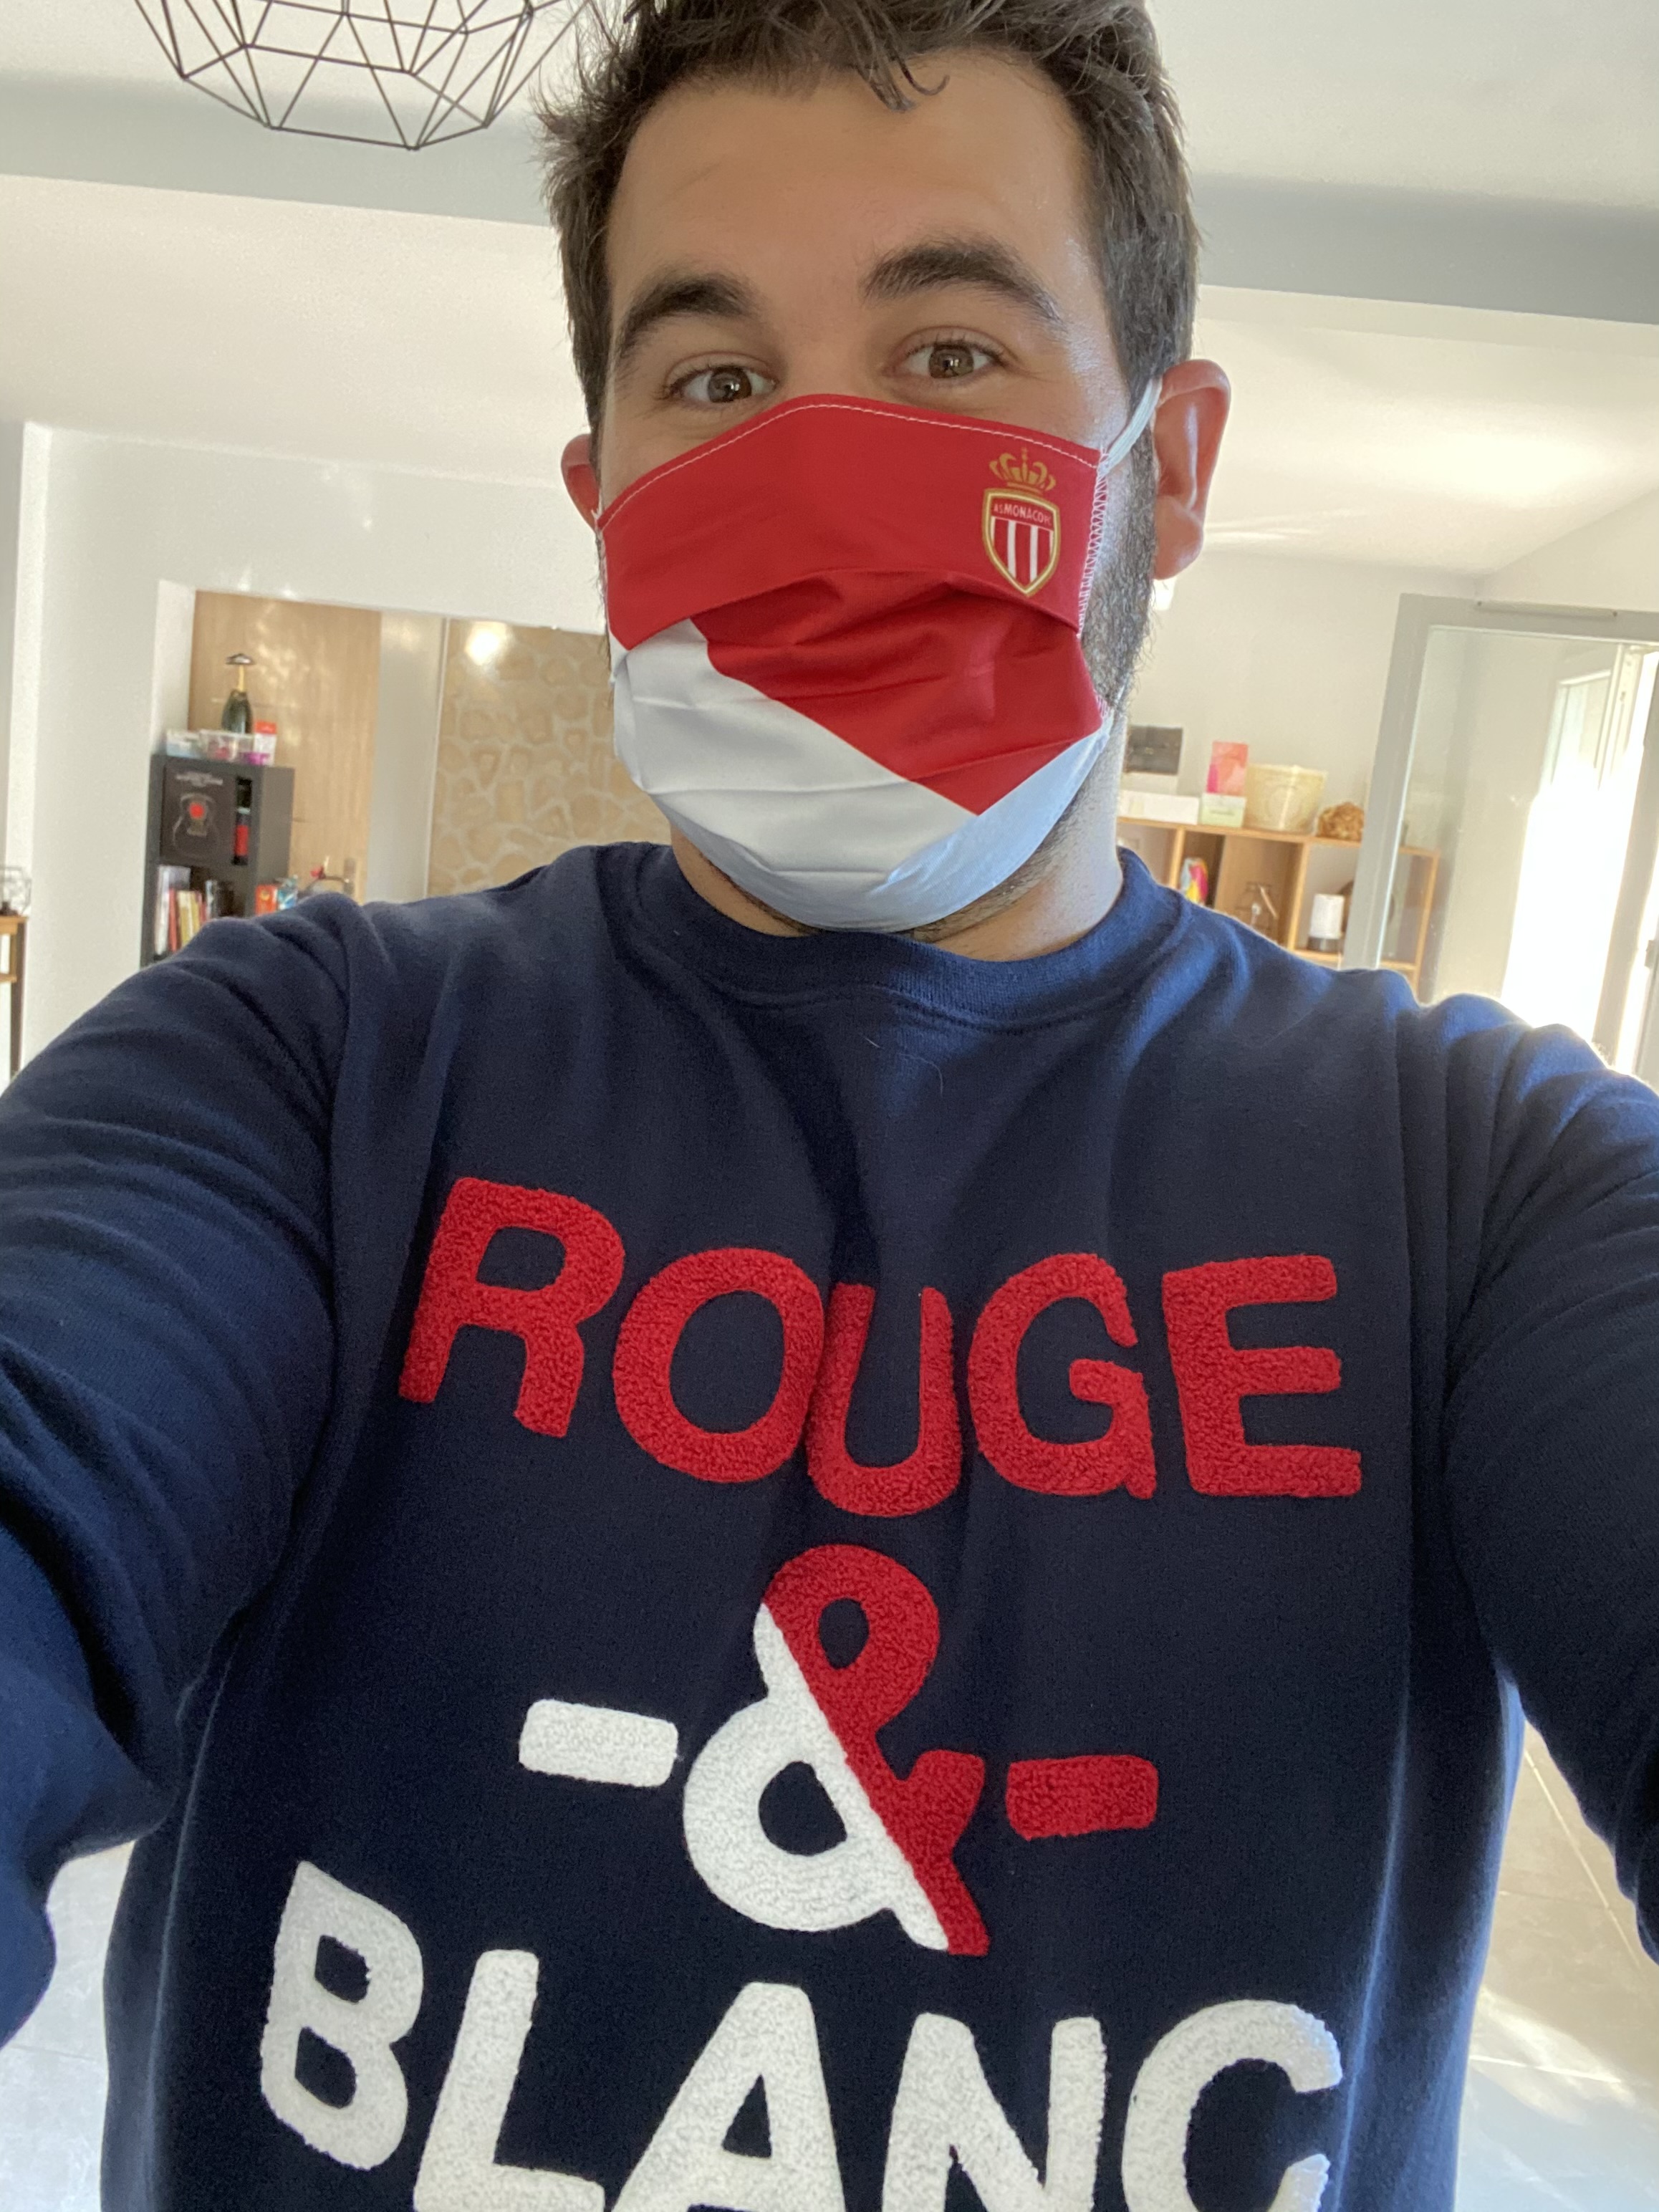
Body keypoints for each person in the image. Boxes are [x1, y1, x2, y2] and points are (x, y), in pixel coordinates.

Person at [0, 1, 1655, 2206]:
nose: (816, 478)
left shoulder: (1483, 1186)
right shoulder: (297, 1067)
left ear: (1168, 469)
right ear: (602, 505)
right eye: (713, 380)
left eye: (949, 353)